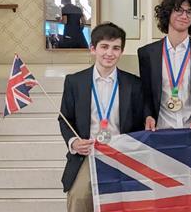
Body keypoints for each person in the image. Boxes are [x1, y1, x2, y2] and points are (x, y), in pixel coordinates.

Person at [58, 22, 145, 212]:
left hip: (123, 152)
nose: (109, 53)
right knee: (79, 197)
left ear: (121, 52)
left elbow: (139, 123)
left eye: (116, 48)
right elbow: (64, 119)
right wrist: (73, 142)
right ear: (93, 49)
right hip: (89, 152)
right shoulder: (75, 82)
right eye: (104, 46)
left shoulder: (134, 84)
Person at [137, 0, 191, 130]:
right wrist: (147, 116)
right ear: (168, 13)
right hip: (160, 130)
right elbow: (146, 96)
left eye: (189, 12)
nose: (184, 16)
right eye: (178, 10)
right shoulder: (147, 53)